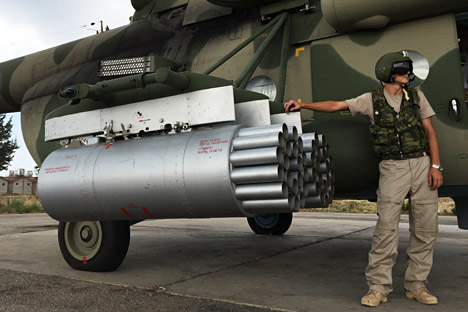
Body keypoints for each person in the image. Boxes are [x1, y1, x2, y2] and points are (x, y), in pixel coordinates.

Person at [284, 51, 443, 307]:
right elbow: (337, 105)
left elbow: (430, 132)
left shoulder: (417, 97)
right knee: (386, 230)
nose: (408, 74)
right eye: (403, 70)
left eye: (408, 70)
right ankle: (378, 288)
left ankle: (417, 286)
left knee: (426, 230)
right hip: (393, 168)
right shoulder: (371, 100)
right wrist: (303, 105)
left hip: (422, 164)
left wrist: (435, 166)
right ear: (388, 73)